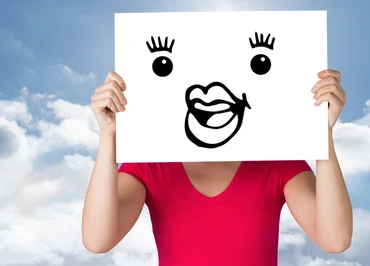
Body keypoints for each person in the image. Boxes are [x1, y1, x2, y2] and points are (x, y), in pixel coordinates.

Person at [81, 70, 353, 266]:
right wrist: (109, 136)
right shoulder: (151, 164)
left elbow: (335, 239)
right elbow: (97, 240)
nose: (209, 89)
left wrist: (321, 134)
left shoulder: (276, 160)